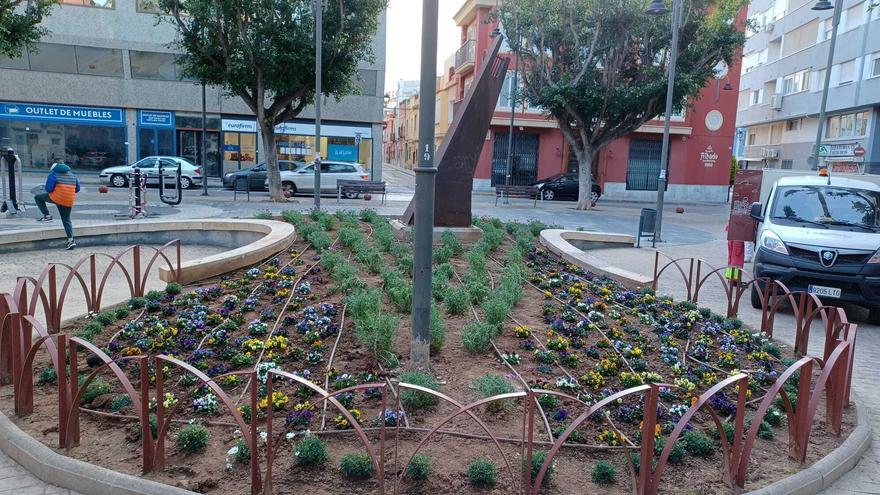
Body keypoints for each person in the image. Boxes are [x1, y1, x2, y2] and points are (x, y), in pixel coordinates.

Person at [35, 159, 80, 250]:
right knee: (66, 220)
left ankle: (47, 215)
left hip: (56, 198)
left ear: (54, 166)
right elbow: (77, 189)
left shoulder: (54, 174)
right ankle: (71, 240)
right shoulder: (73, 175)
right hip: (69, 200)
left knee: (38, 197)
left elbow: (48, 189)